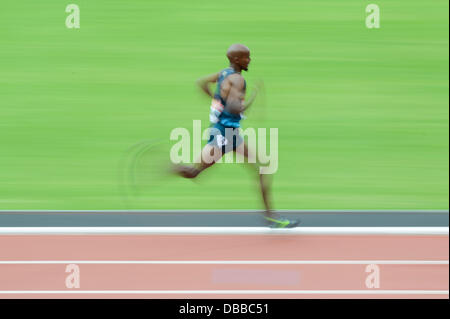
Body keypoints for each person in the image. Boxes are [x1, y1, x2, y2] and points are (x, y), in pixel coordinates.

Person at [172, 44, 299, 228]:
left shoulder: (223, 73)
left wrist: (217, 101)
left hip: (227, 133)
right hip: (225, 135)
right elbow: (234, 107)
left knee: (263, 166)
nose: (250, 60)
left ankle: (270, 216)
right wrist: (252, 98)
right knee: (195, 172)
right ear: (237, 60)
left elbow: (201, 83)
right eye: (247, 57)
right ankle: (166, 167)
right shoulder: (238, 80)